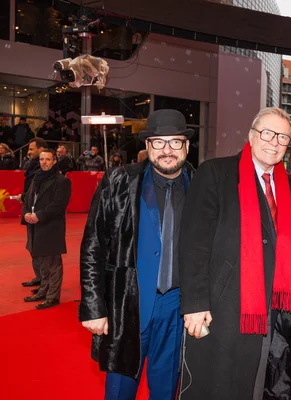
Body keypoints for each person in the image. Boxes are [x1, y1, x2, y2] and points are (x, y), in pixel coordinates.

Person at [178, 107, 291, 400]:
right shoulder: (216, 173)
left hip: (271, 310)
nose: (273, 142)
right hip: (224, 305)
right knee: (220, 383)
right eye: (267, 133)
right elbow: (194, 241)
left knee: (258, 381)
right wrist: (195, 304)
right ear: (251, 135)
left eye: (282, 137)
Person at [79, 109, 195, 400]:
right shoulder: (119, 181)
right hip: (127, 304)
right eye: (158, 142)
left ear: (187, 146)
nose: (167, 150)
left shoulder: (202, 185)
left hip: (177, 308)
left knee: (166, 389)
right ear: (147, 147)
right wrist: (94, 306)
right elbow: (93, 244)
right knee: (119, 390)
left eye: (175, 142)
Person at [22, 149, 71, 309]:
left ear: (54, 161)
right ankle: (43, 291)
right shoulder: (37, 178)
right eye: (42, 159)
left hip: (51, 227)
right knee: (42, 262)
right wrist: (27, 214)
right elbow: (28, 198)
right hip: (35, 226)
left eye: (47, 159)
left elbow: (58, 205)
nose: (44, 162)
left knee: (53, 263)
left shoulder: (62, 181)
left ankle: (53, 296)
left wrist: (39, 215)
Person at [20, 138, 48, 288]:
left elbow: (39, 192)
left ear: (41, 149)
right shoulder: (31, 167)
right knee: (32, 245)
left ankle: (44, 279)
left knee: (39, 247)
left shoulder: (43, 169)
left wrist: (24, 197)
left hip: (38, 212)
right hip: (29, 209)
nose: (29, 152)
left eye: (31, 149)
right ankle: (39, 276)